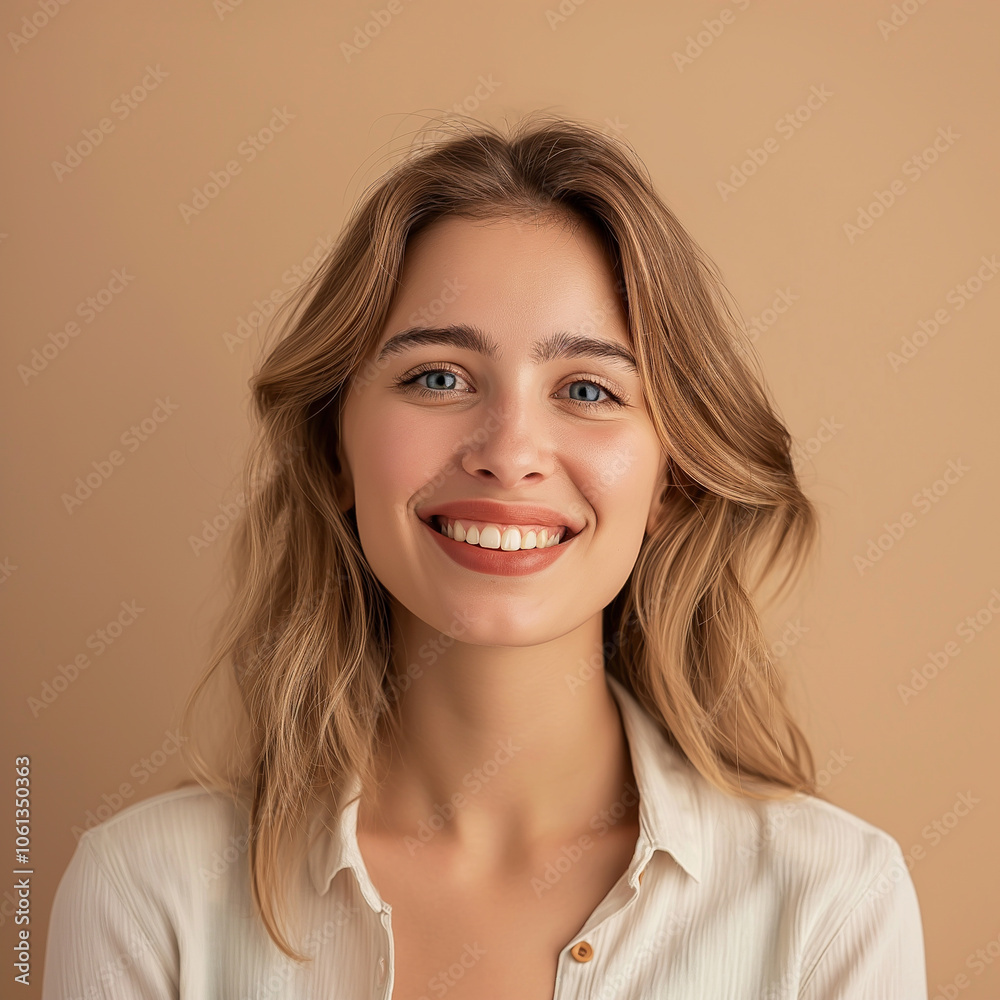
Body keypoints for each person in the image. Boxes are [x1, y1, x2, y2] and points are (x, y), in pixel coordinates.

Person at [41, 113, 927, 999]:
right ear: (332, 449)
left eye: (587, 389)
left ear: (672, 482)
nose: (509, 450)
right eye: (438, 377)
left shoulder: (832, 905)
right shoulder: (144, 896)